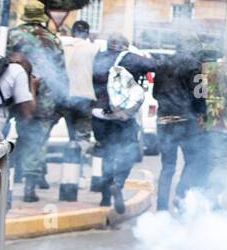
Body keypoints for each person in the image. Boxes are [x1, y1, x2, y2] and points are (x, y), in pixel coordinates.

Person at [8, 1, 69, 202]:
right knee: (37, 140)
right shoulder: (52, 39)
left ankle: (13, 178)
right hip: (45, 97)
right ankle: (30, 187)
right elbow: (60, 71)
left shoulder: (13, 35)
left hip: (16, 93)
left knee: (21, 135)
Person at [92, 36, 157, 214]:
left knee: (106, 154)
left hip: (98, 114)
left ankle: (105, 198)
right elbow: (155, 65)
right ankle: (118, 183)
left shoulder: (98, 57)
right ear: (125, 46)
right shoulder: (130, 59)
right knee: (129, 151)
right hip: (122, 116)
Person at [151, 37, 205, 212]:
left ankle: (161, 209)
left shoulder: (162, 64)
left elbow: (155, 93)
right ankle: (180, 194)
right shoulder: (194, 67)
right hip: (185, 121)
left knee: (167, 166)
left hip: (164, 120)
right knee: (193, 160)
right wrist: (201, 113)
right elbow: (199, 95)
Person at [196, 43, 227, 206]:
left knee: (205, 160)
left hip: (203, 125)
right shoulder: (226, 71)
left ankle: (202, 195)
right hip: (221, 124)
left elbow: (197, 98)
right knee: (220, 162)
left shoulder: (199, 72)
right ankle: (213, 197)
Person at [59, 20, 99, 153]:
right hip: (85, 96)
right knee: (83, 134)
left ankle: (71, 160)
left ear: (72, 32)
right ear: (87, 33)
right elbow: (98, 74)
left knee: (72, 134)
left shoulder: (62, 46)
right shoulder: (93, 49)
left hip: (65, 96)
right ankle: (78, 164)